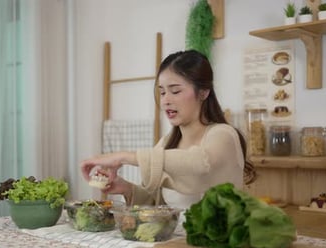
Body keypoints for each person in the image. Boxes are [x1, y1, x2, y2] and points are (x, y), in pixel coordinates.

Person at [80, 50, 255, 208]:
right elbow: (159, 205)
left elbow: (199, 164)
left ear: (203, 92)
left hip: (215, 242)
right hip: (173, 241)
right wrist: (126, 188)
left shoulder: (223, 135)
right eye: (162, 92)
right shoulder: (167, 142)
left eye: (175, 91)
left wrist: (125, 157)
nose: (165, 101)